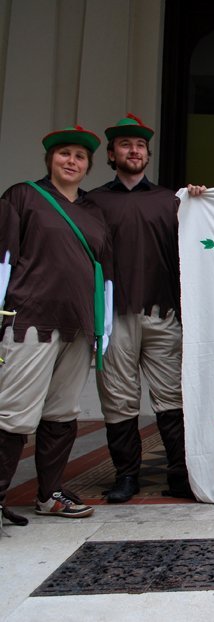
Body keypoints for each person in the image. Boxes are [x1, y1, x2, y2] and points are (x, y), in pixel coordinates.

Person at [0, 125, 110, 526]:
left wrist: (102, 325)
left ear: (88, 166)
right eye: (64, 153)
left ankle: (49, 495)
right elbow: (3, 257)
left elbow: (103, 271)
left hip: (78, 326)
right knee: (13, 412)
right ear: (50, 159)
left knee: (62, 412)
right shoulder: (23, 195)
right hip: (30, 319)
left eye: (80, 157)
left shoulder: (93, 211)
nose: (71, 161)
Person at [86, 114, 193, 503]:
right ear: (111, 154)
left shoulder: (171, 201)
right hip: (113, 316)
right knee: (118, 397)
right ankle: (126, 476)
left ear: (148, 154)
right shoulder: (91, 202)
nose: (134, 151)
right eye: (125, 145)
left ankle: (179, 474)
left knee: (173, 396)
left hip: (163, 313)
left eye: (140, 145)